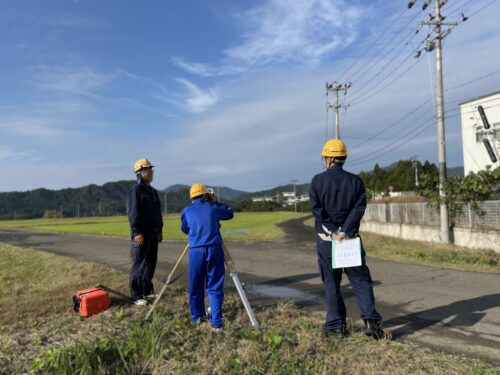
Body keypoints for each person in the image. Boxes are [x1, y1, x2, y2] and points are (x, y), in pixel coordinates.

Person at [309, 139, 386, 339]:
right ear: (343, 158)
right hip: (350, 240)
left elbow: (317, 211)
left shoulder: (317, 181)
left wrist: (334, 231)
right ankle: (371, 323)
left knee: (332, 283)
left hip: (327, 241)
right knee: (360, 280)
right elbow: (359, 208)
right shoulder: (356, 181)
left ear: (328, 159)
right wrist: (345, 231)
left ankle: (336, 327)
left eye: (324, 157)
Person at [181, 183, 234, 330]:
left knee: (196, 285)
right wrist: (215, 201)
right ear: (206, 195)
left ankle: (198, 318)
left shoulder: (187, 210)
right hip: (214, 249)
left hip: (196, 250)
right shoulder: (213, 208)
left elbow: (185, 228)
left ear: (192, 197)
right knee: (215, 285)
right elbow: (229, 213)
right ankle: (216, 322)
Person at [127, 158, 163, 306]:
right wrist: (137, 232)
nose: (152, 172)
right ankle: (136, 295)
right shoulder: (136, 190)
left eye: (151, 169)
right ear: (140, 172)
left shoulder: (153, 192)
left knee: (150, 263)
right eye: (149, 169)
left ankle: (147, 290)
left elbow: (158, 212)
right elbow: (133, 212)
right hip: (141, 233)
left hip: (154, 232)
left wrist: (160, 230)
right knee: (139, 264)